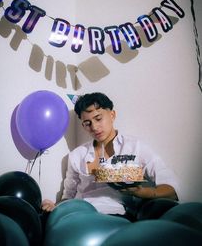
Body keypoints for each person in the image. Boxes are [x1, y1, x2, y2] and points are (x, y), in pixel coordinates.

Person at [42, 92, 179, 221]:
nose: (94, 127)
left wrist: (141, 192)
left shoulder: (135, 147)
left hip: (117, 215)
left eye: (98, 118)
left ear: (112, 115)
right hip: (77, 213)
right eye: (87, 123)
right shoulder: (76, 156)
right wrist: (55, 206)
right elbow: (68, 196)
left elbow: (172, 189)